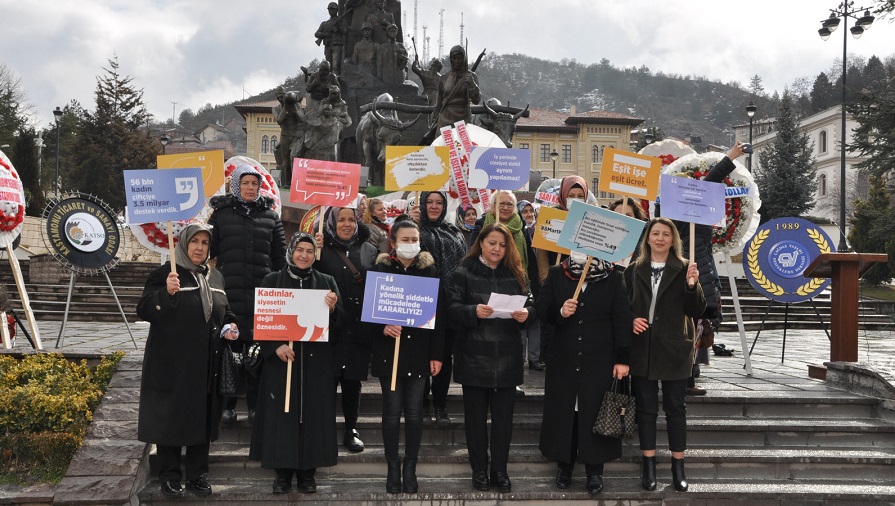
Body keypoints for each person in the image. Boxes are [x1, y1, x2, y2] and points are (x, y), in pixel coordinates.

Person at [137, 224, 239, 498]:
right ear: (183, 243)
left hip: (207, 365)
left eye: (205, 243)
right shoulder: (165, 274)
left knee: (202, 420)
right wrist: (165, 293)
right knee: (171, 418)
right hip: (172, 363)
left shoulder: (215, 276)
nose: (199, 247)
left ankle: (197, 474)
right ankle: (169, 475)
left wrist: (230, 325)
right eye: (194, 241)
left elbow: (224, 311)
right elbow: (145, 309)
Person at [249, 232, 344, 495]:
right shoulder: (272, 280)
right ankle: (282, 473)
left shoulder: (326, 282)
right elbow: (259, 322)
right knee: (282, 417)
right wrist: (274, 346)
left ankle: (308, 473)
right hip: (281, 364)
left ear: (315, 254)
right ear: (291, 251)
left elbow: (342, 326)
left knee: (311, 417)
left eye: (309, 251)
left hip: (315, 365)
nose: (304, 255)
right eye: (299, 249)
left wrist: (333, 309)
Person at [537, 250, 632, 494]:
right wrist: (560, 312)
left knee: (594, 411)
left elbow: (622, 318)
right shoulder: (559, 274)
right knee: (564, 411)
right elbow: (542, 310)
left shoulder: (613, 276)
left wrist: (622, 359)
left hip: (599, 358)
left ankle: (594, 471)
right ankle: (564, 466)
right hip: (564, 358)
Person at [446, 223, 531, 493]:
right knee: (475, 420)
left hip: (507, 357)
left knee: (504, 421)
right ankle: (479, 471)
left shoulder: (515, 274)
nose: (497, 248)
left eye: (502, 244)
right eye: (492, 243)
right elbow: (450, 309)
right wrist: (473, 311)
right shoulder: (463, 272)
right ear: (480, 243)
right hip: (474, 357)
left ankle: (500, 471)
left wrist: (527, 314)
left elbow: (531, 305)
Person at [624, 218, 706, 492]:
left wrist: (692, 285)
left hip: (674, 348)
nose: (660, 238)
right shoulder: (634, 269)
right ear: (647, 238)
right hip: (642, 348)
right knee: (646, 410)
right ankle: (648, 467)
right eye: (655, 233)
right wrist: (630, 320)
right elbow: (622, 307)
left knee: (675, 409)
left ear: (673, 240)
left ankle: (677, 466)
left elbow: (697, 309)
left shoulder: (685, 268)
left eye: (665, 235)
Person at [369, 219, 444, 493]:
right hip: (390, 353)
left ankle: (410, 468)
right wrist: (382, 326)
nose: (411, 244)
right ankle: (392, 468)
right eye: (405, 239)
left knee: (414, 414)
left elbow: (440, 316)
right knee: (391, 413)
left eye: (415, 239)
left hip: (419, 353)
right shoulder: (380, 269)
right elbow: (368, 315)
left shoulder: (430, 271)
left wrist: (437, 355)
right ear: (393, 242)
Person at [209, 165, 287, 424]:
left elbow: (279, 258)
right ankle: (229, 404)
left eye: (255, 183)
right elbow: (208, 249)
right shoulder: (221, 215)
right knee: (231, 350)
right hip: (229, 295)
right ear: (236, 186)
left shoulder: (271, 217)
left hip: (262, 296)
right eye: (246, 183)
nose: (251, 187)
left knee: (257, 351)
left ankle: (255, 405)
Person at [671, 143, 747, 396]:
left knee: (698, 325)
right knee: (690, 325)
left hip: (702, 269)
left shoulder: (696, 215)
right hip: (689, 271)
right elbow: (708, 183)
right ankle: (685, 378)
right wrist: (731, 157)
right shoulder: (676, 215)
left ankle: (689, 376)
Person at [314, 206, 378, 453]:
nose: (347, 224)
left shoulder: (370, 250)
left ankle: (351, 428)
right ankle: (324, 427)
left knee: (353, 383)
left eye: (351, 219)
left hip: (358, 329)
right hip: (328, 328)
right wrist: (314, 247)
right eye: (341, 220)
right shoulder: (321, 251)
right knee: (327, 381)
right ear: (332, 223)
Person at [408, 191, 468, 426]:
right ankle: (421, 403)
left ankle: (440, 403)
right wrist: (411, 225)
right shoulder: (413, 228)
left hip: (449, 303)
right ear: (422, 204)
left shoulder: (453, 231)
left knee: (445, 355)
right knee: (422, 353)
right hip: (422, 299)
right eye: (429, 202)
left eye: (439, 202)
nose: (434, 206)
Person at [517, 199, 544, 370]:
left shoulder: (540, 232)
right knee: (520, 321)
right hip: (519, 281)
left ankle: (534, 358)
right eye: (524, 211)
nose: (528, 214)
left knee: (535, 321)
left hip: (534, 281)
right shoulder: (518, 232)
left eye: (530, 211)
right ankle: (520, 358)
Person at [433, 45, 481, 130]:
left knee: (461, 143)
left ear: (464, 59)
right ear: (450, 59)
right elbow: (438, 104)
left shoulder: (471, 76)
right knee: (441, 143)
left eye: (459, 58)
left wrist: (472, 84)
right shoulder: (444, 78)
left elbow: (476, 100)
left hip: (463, 121)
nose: (457, 61)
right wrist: (434, 121)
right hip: (444, 120)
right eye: (454, 58)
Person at [315, 2, 347, 75]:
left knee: (336, 65)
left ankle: (335, 80)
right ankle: (329, 80)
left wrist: (338, 26)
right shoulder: (324, 23)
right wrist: (324, 35)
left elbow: (345, 31)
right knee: (328, 65)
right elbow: (316, 34)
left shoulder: (340, 21)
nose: (331, 11)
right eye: (330, 10)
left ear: (337, 10)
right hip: (328, 45)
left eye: (333, 9)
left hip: (337, 45)